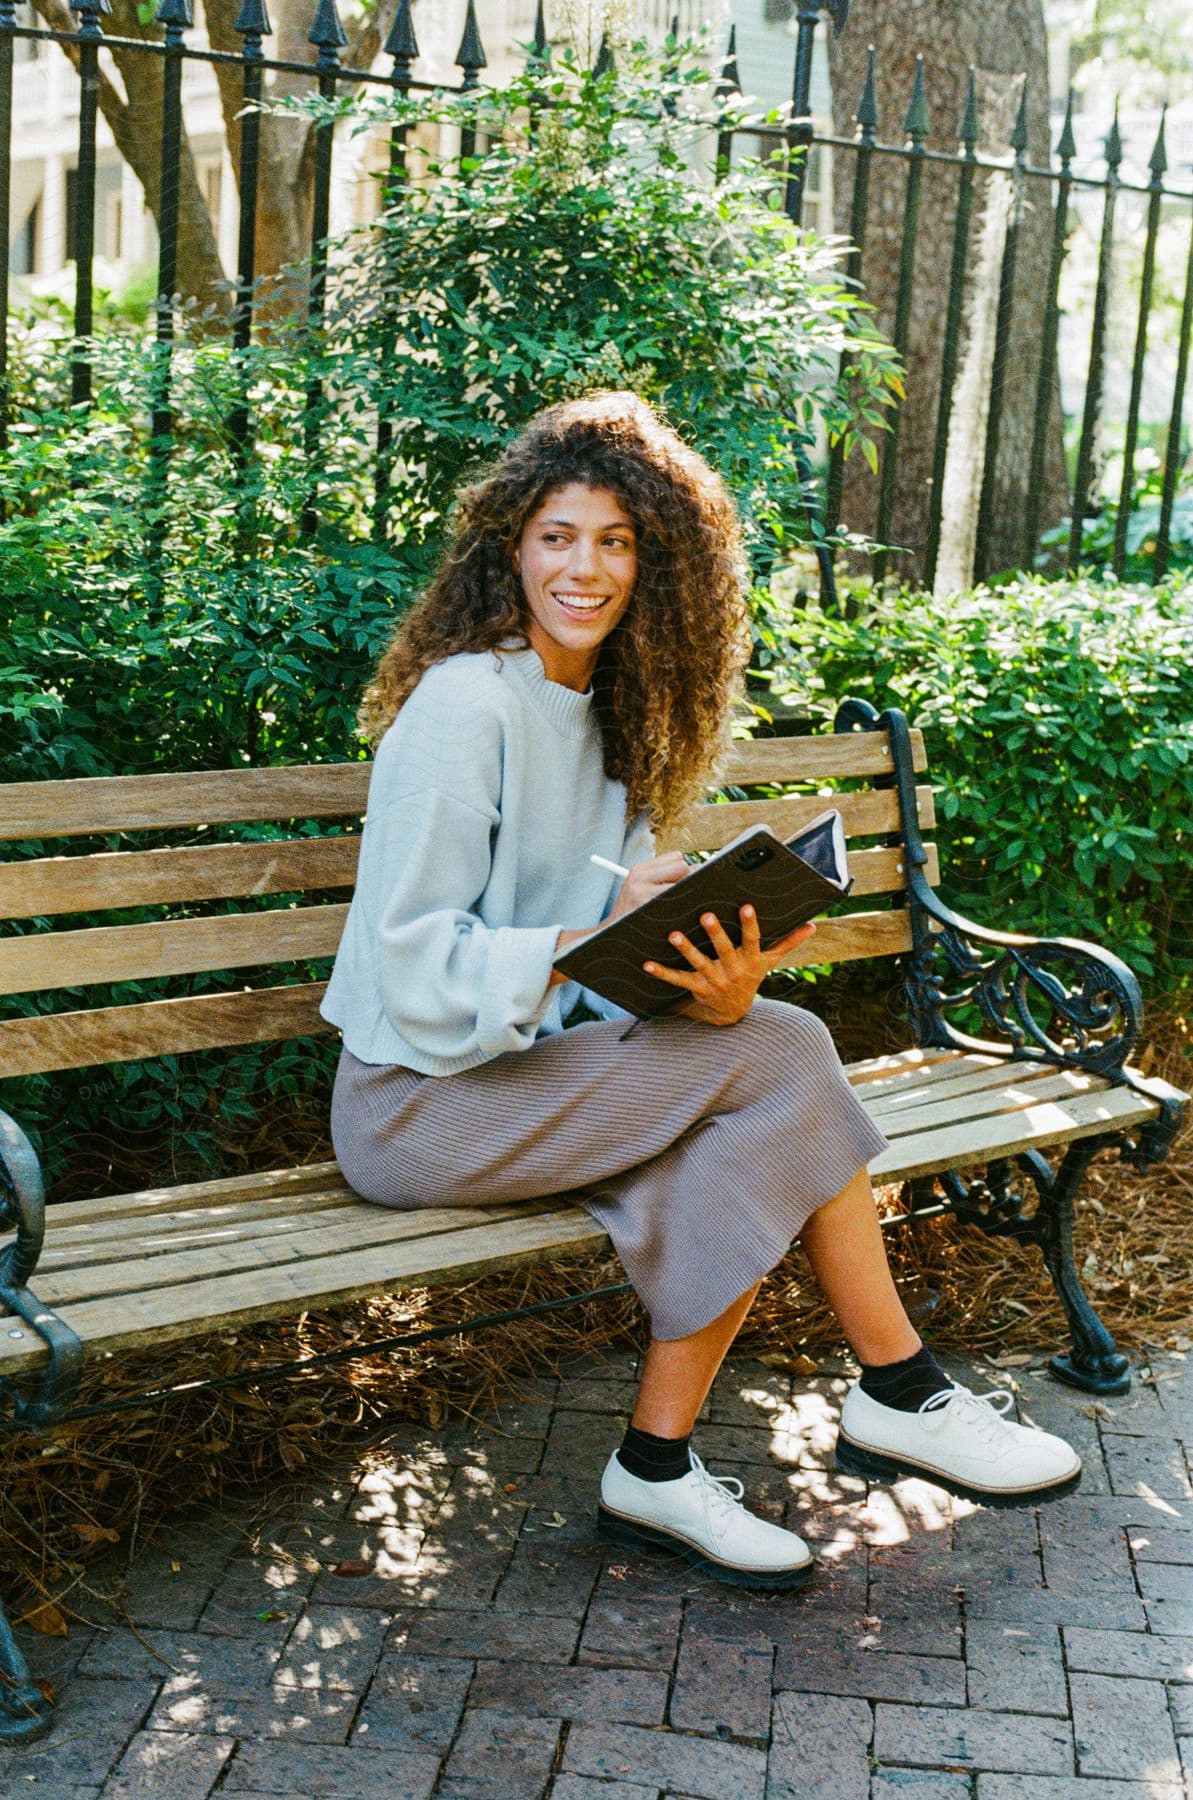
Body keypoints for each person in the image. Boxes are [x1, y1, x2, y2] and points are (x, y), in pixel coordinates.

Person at [322, 391, 1080, 1592]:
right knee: (784, 1058)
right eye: (557, 536)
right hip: (416, 1107)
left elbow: (604, 973)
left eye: (616, 541)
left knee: (759, 1090)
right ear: (507, 546)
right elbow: (413, 958)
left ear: (655, 563)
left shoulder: (619, 714)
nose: (584, 567)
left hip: (527, 1082)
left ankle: (658, 1468)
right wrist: (599, 933)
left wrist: (700, 987)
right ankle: (896, 1389)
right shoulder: (466, 703)